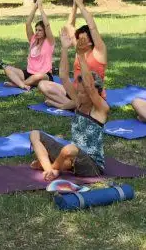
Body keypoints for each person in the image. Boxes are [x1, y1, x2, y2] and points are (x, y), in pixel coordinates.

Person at [30, 26, 109, 181]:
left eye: (83, 92)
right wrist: (65, 49)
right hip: (71, 157)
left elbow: (89, 86)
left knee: (69, 149)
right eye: (78, 91)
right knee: (35, 134)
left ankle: (53, 168)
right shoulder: (78, 102)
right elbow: (64, 77)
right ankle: (51, 170)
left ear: (95, 92)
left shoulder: (101, 108)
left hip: (91, 165)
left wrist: (80, 55)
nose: (79, 94)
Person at [38, 0, 107, 109]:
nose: (78, 41)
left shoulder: (99, 52)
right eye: (78, 38)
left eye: (83, 39)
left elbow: (92, 27)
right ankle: (73, 104)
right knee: (43, 85)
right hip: (75, 92)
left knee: (80, 96)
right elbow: (69, 27)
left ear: (91, 42)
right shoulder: (79, 49)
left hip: (91, 95)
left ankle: (65, 105)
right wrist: (74, 5)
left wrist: (81, 4)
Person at [2, 0, 55, 90]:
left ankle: (17, 84)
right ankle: (23, 85)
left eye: (40, 30)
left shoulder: (49, 42)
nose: (37, 32)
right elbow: (27, 23)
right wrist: (35, 7)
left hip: (44, 75)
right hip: (29, 72)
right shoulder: (33, 39)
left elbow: (47, 25)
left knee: (37, 77)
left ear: (45, 32)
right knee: (7, 69)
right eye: (36, 30)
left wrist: (41, 8)